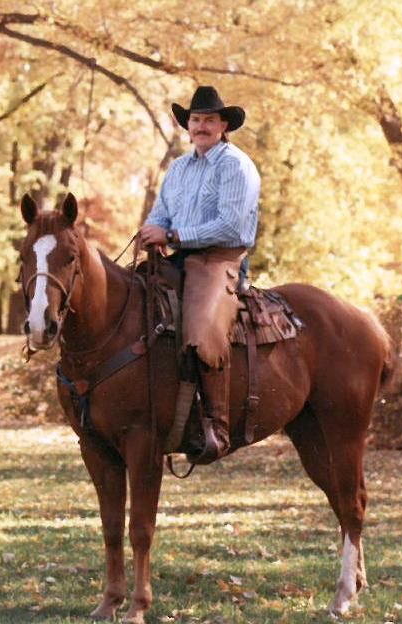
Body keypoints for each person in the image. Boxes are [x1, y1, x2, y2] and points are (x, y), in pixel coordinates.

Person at [139, 85, 260, 463]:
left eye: (209, 119)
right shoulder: (178, 168)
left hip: (219, 258)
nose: (201, 125)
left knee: (200, 328)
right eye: (195, 119)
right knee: (134, 305)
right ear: (187, 126)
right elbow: (161, 213)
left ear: (224, 125)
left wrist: (173, 235)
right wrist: (151, 232)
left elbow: (229, 225)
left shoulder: (235, 165)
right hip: (179, 256)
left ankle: (216, 426)